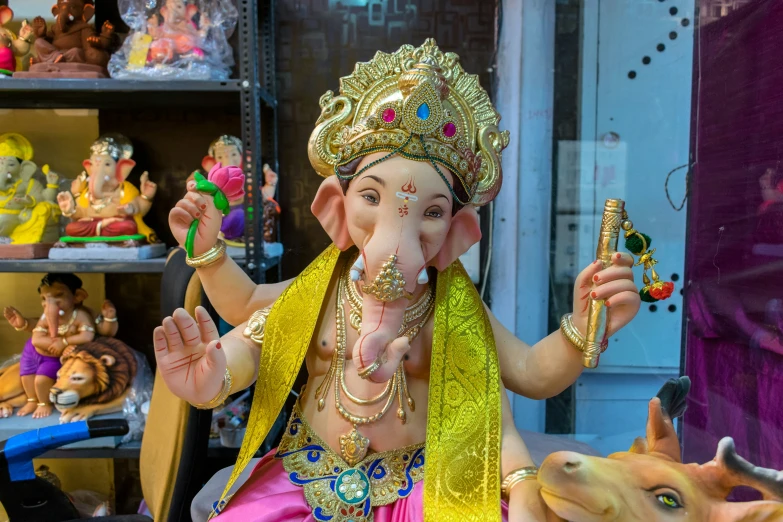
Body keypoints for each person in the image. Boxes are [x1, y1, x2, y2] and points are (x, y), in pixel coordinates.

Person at [155, 39, 641, 521]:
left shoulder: (455, 313)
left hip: (420, 488)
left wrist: (584, 325)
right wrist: (211, 379)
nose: (400, 230)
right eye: (371, 196)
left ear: (458, 232)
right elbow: (251, 329)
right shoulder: (321, 289)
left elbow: (534, 373)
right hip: (304, 477)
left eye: (432, 212)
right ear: (335, 207)